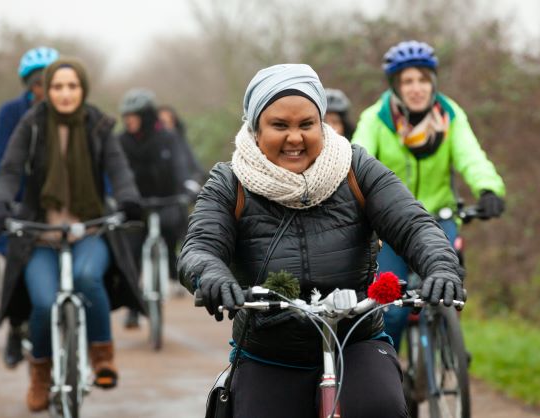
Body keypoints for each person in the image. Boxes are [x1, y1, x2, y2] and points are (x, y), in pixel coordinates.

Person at [177, 63, 465, 418]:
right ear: (255, 129)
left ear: (322, 124)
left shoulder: (356, 167)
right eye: (279, 125)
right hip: (269, 349)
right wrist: (212, 276)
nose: (295, 138)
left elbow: (414, 225)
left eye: (306, 125)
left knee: (382, 408)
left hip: (355, 339)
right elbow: (200, 246)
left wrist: (440, 266)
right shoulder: (229, 182)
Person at [0, 57, 143, 412]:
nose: (65, 93)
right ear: (47, 90)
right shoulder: (32, 124)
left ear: (82, 89)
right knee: (42, 303)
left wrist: (129, 198)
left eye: (72, 86)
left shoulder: (98, 125)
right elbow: (10, 169)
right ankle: (40, 374)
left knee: (89, 277)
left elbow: (119, 169)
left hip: (89, 229)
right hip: (40, 233)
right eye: (58, 86)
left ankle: (102, 356)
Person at [352, 40, 506, 350]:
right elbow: (357, 160)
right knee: (391, 309)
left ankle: (441, 352)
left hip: (439, 219)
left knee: (442, 292)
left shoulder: (450, 115)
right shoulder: (376, 119)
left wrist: (488, 187)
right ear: (395, 86)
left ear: (433, 82)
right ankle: (387, 368)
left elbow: (470, 155)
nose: (416, 88)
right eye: (407, 81)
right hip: (390, 225)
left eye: (423, 79)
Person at [0, 46, 59, 369]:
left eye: (48, 80)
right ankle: (15, 328)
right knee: (17, 272)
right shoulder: (11, 112)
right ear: (28, 85)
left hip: (58, 207)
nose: (43, 88)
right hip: (19, 205)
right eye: (37, 82)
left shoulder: (69, 111)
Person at [117, 89, 194, 327]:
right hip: (135, 206)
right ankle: (132, 307)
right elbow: (116, 174)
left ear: (146, 116)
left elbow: (181, 166)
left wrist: (187, 189)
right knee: (129, 251)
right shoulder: (121, 141)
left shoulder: (168, 137)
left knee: (172, 234)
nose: (128, 120)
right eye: (126, 116)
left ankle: (172, 274)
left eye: (134, 115)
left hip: (166, 202)